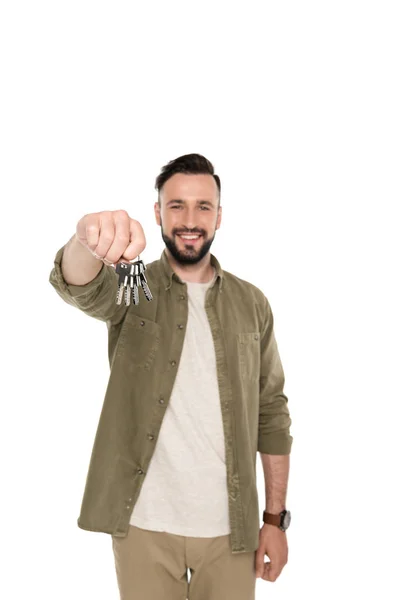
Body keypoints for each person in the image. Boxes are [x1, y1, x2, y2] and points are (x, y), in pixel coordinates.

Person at [49, 153, 293, 600]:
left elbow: (272, 413)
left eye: (203, 206)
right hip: (143, 524)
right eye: (176, 205)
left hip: (230, 531)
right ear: (158, 212)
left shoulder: (252, 303)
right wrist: (85, 239)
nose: (190, 220)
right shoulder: (135, 282)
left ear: (219, 216)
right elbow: (82, 286)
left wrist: (274, 520)